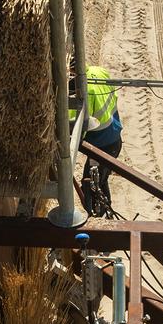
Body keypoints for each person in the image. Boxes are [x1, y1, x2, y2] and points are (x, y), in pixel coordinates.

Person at [72, 64, 123, 217]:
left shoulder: (85, 93)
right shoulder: (98, 71)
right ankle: (104, 211)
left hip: (103, 145)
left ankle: (97, 217)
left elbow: (77, 127)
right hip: (114, 138)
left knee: (90, 184)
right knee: (99, 179)